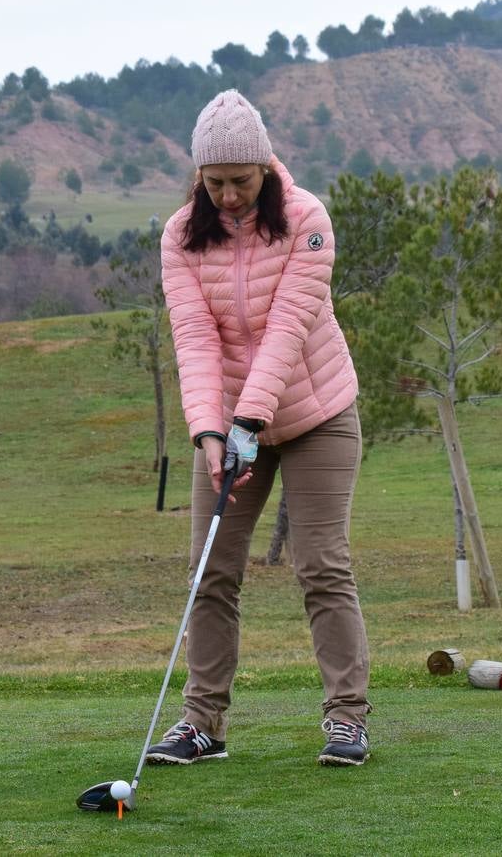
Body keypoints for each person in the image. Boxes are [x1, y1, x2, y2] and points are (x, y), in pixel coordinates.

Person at [148, 89, 371, 767]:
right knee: (210, 569)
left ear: (266, 168)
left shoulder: (306, 220)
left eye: (240, 182)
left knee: (320, 565)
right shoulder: (183, 235)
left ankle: (347, 721)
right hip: (229, 425)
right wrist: (209, 432)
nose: (228, 196)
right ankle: (202, 725)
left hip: (317, 415)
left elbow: (286, 329)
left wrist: (248, 417)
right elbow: (193, 337)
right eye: (213, 183)